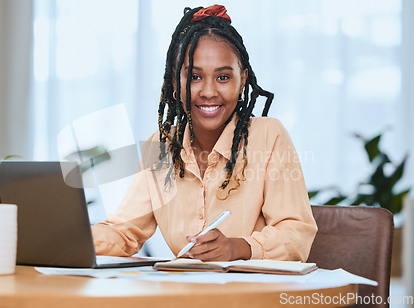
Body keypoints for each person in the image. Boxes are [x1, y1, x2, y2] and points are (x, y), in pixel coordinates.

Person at [92, 5, 317, 262]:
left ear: (242, 81)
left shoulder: (268, 136)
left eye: (223, 77)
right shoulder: (162, 146)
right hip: (185, 294)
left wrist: (237, 248)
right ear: (176, 83)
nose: (209, 91)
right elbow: (123, 233)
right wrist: (73, 239)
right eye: (195, 76)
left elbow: (297, 234)